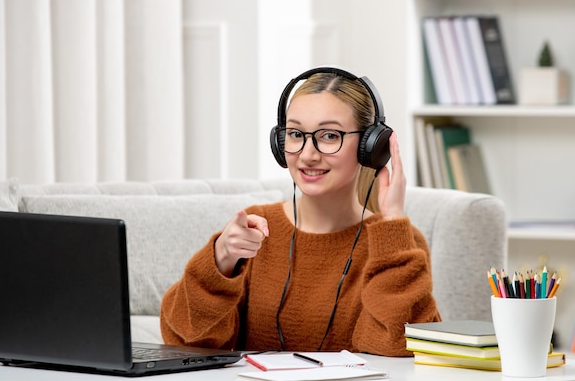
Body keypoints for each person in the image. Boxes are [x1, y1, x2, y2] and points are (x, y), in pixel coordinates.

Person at [160, 67, 441, 356]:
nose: (307, 154)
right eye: (296, 134)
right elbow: (185, 342)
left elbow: (399, 349)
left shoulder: (397, 244)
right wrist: (221, 259)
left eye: (330, 135)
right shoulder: (255, 230)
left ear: (370, 146)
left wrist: (392, 221)